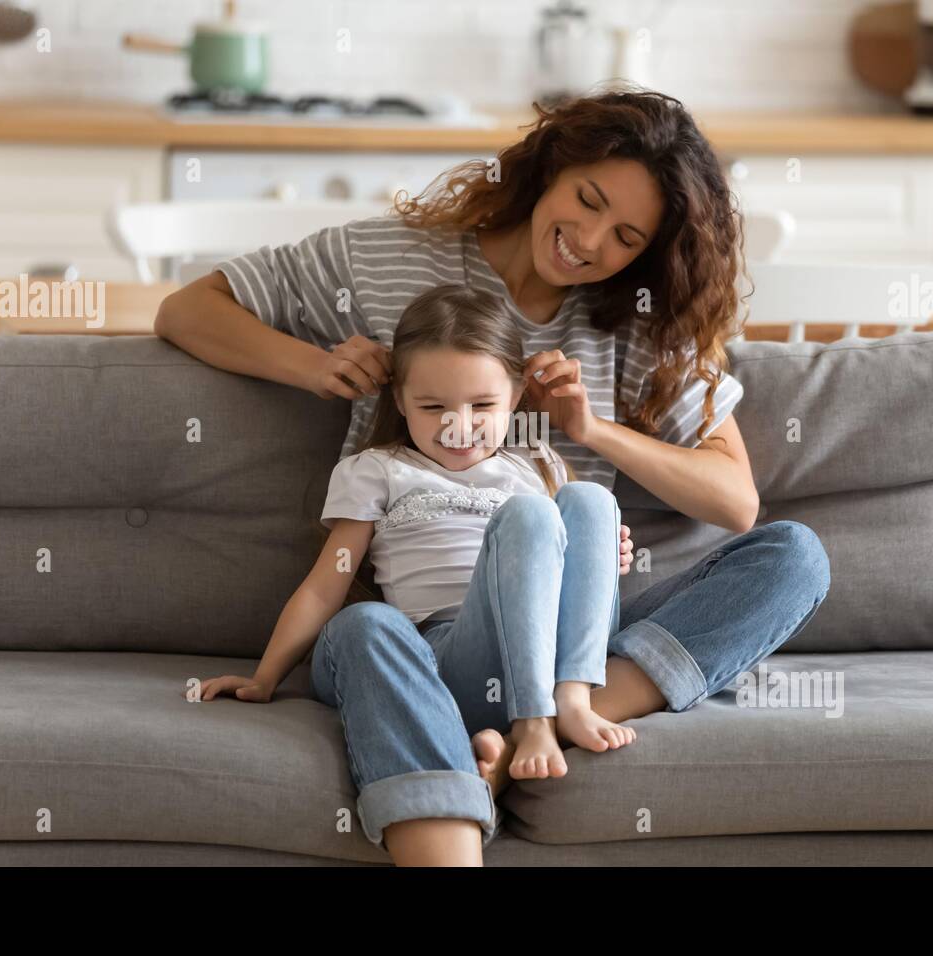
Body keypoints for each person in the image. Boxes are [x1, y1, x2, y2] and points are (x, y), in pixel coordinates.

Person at [157, 87, 831, 866]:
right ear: (551, 165)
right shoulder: (385, 259)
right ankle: (495, 766)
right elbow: (188, 309)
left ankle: (524, 736)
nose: (586, 240)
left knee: (794, 558)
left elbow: (734, 500)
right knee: (363, 630)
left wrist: (591, 431)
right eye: (585, 199)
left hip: (574, 643)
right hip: (438, 633)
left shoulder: (637, 318)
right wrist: (314, 366)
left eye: (624, 236)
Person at [193, 284, 639, 853]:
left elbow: (579, 568)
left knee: (593, 503)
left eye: (482, 406)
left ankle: (564, 706)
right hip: (440, 654)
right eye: (434, 408)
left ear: (518, 393)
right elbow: (324, 587)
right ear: (400, 401)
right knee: (374, 618)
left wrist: (606, 553)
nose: (459, 426)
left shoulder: (537, 467)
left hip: (543, 652)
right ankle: (527, 724)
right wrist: (265, 676)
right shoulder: (378, 469)